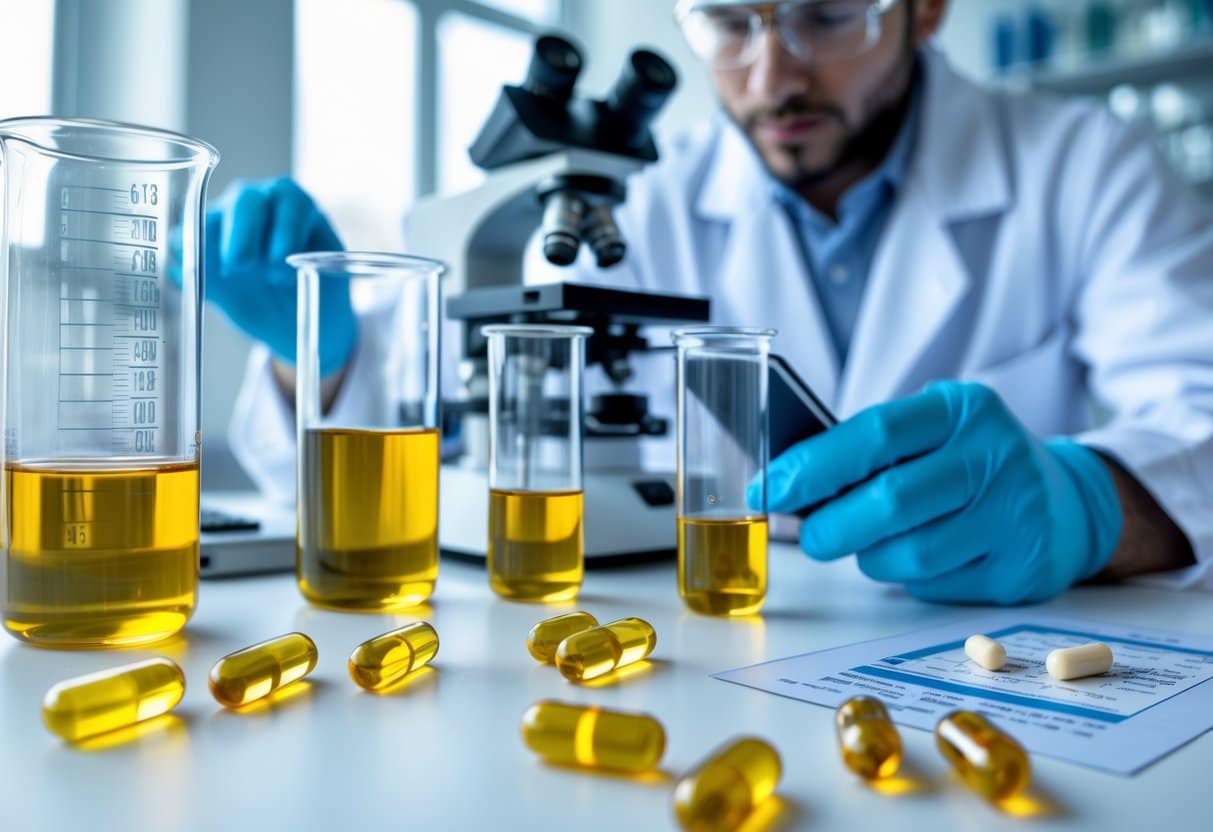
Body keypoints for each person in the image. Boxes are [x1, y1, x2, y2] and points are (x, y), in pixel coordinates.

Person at [206, 0, 1213, 605]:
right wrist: (322, 353)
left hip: (992, 667)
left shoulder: (1087, 168)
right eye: (728, 21)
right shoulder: (643, 193)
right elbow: (407, 427)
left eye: (826, 12)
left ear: (928, 6)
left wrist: (1089, 501)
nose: (772, 73)